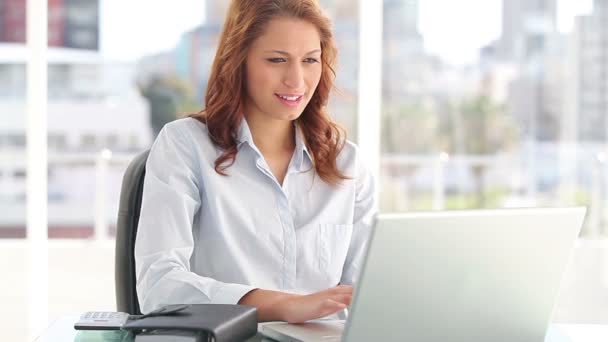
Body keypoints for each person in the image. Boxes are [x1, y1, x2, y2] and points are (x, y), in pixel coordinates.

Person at [134, 0, 375, 324]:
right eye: (277, 60)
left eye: (310, 60)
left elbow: (369, 293)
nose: (297, 80)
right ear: (238, 61)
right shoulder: (185, 146)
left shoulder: (347, 163)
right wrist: (280, 305)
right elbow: (159, 286)